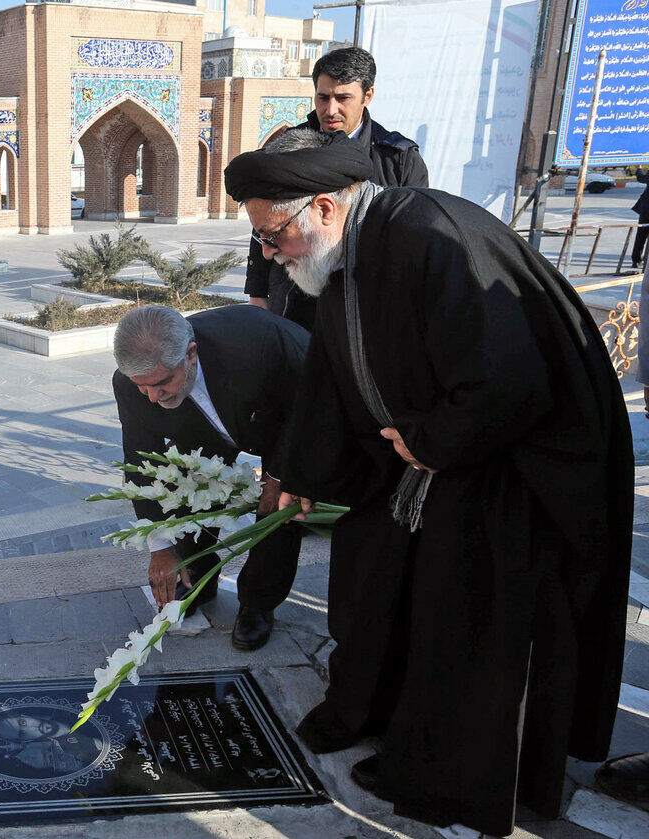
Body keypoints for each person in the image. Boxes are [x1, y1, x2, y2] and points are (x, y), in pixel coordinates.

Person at [223, 128, 632, 835]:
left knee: (458, 613)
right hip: (430, 454)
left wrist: (428, 442)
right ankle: (373, 715)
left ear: (323, 207)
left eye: (273, 233)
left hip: (513, 463)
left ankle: (446, 773)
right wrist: (298, 471)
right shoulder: (346, 252)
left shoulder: (426, 234)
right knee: (368, 572)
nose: (270, 252)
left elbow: (509, 377)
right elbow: (331, 374)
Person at [112, 305, 309, 650]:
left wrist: (278, 476)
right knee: (187, 483)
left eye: (160, 384)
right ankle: (197, 576)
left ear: (190, 354)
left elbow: (305, 410)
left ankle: (259, 602)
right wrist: (161, 546)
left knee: (278, 506)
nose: (153, 399)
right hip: (202, 428)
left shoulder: (257, 345)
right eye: (143, 388)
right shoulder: (132, 384)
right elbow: (141, 462)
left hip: (281, 418)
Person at [246, 47, 428, 331]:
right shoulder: (288, 148)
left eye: (343, 98)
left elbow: (413, 242)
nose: (330, 110)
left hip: (362, 306)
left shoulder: (398, 159)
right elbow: (265, 224)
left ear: (367, 96)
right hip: (293, 299)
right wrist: (257, 295)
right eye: (323, 97)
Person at [632, 166, 648, 270]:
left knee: (641, 237)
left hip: (646, 211)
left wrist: (639, 169)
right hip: (646, 211)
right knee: (641, 237)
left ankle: (636, 260)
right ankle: (637, 260)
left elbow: (641, 178)